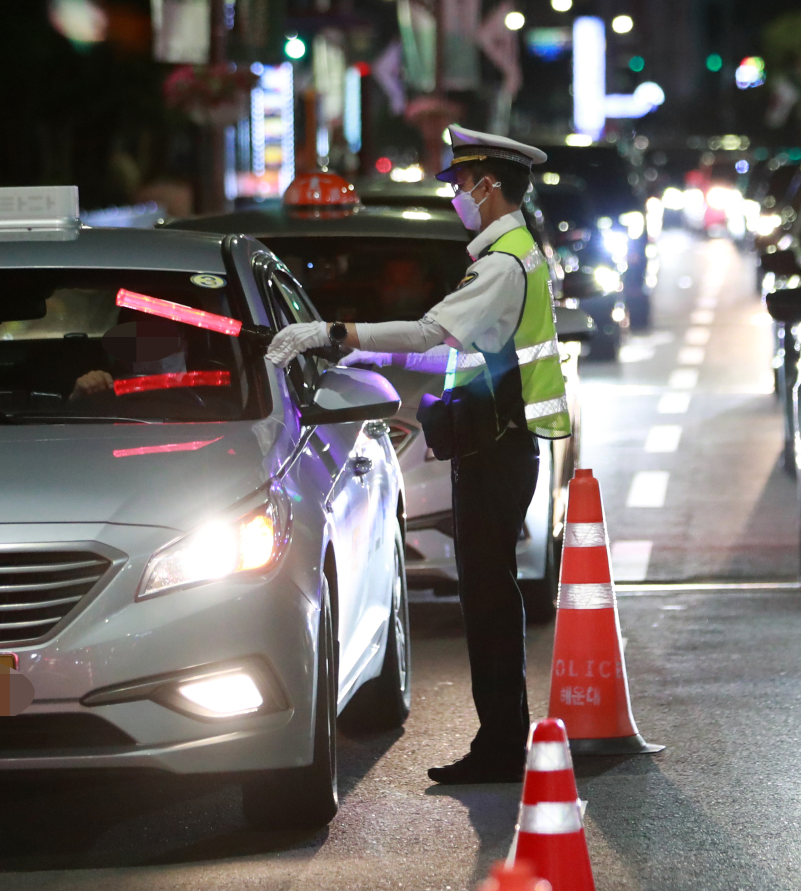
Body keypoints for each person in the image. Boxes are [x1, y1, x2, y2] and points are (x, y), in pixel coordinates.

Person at [265, 126, 571, 784]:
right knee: (490, 597)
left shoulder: (502, 265)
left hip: (494, 450)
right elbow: (447, 347)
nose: (457, 194)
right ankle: (502, 738)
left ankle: (500, 745)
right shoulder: (513, 253)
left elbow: (433, 333)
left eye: (461, 185)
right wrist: (358, 345)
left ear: (490, 188)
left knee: (489, 601)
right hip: (496, 446)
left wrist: (334, 333)